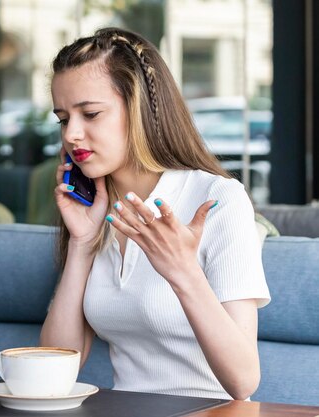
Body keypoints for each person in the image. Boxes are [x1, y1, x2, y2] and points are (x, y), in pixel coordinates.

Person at [39, 27, 270, 401]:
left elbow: (244, 382)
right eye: (64, 119)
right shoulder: (97, 210)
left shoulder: (217, 199)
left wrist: (183, 271)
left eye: (91, 114)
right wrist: (81, 244)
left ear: (140, 108)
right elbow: (53, 366)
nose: (72, 135)